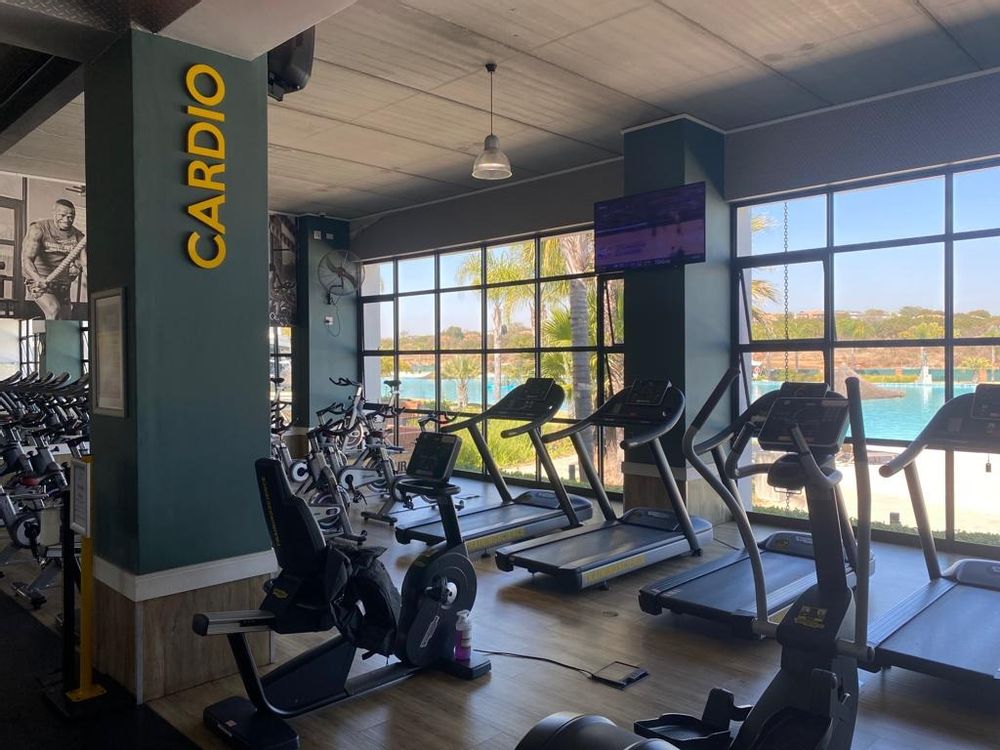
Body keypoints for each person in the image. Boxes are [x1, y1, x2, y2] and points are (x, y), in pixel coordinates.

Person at [22, 199, 86, 320]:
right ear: (54, 213)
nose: (66, 220)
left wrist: (77, 266)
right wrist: (37, 278)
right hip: (41, 282)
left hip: (63, 285)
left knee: (65, 321)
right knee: (54, 310)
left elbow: (85, 263)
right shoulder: (39, 229)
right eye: (62, 215)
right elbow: (27, 259)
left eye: (71, 217)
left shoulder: (78, 236)